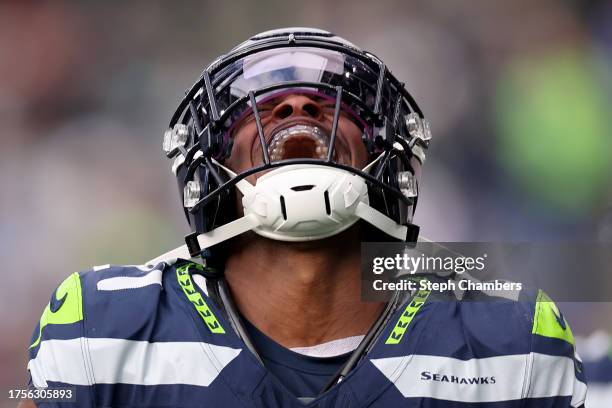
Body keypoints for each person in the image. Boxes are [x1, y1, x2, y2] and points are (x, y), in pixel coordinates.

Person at [23, 28, 587, 407]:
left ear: (387, 155)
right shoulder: (100, 325)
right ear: (208, 161)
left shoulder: (510, 334)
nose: (298, 106)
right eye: (260, 107)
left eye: (330, 100)